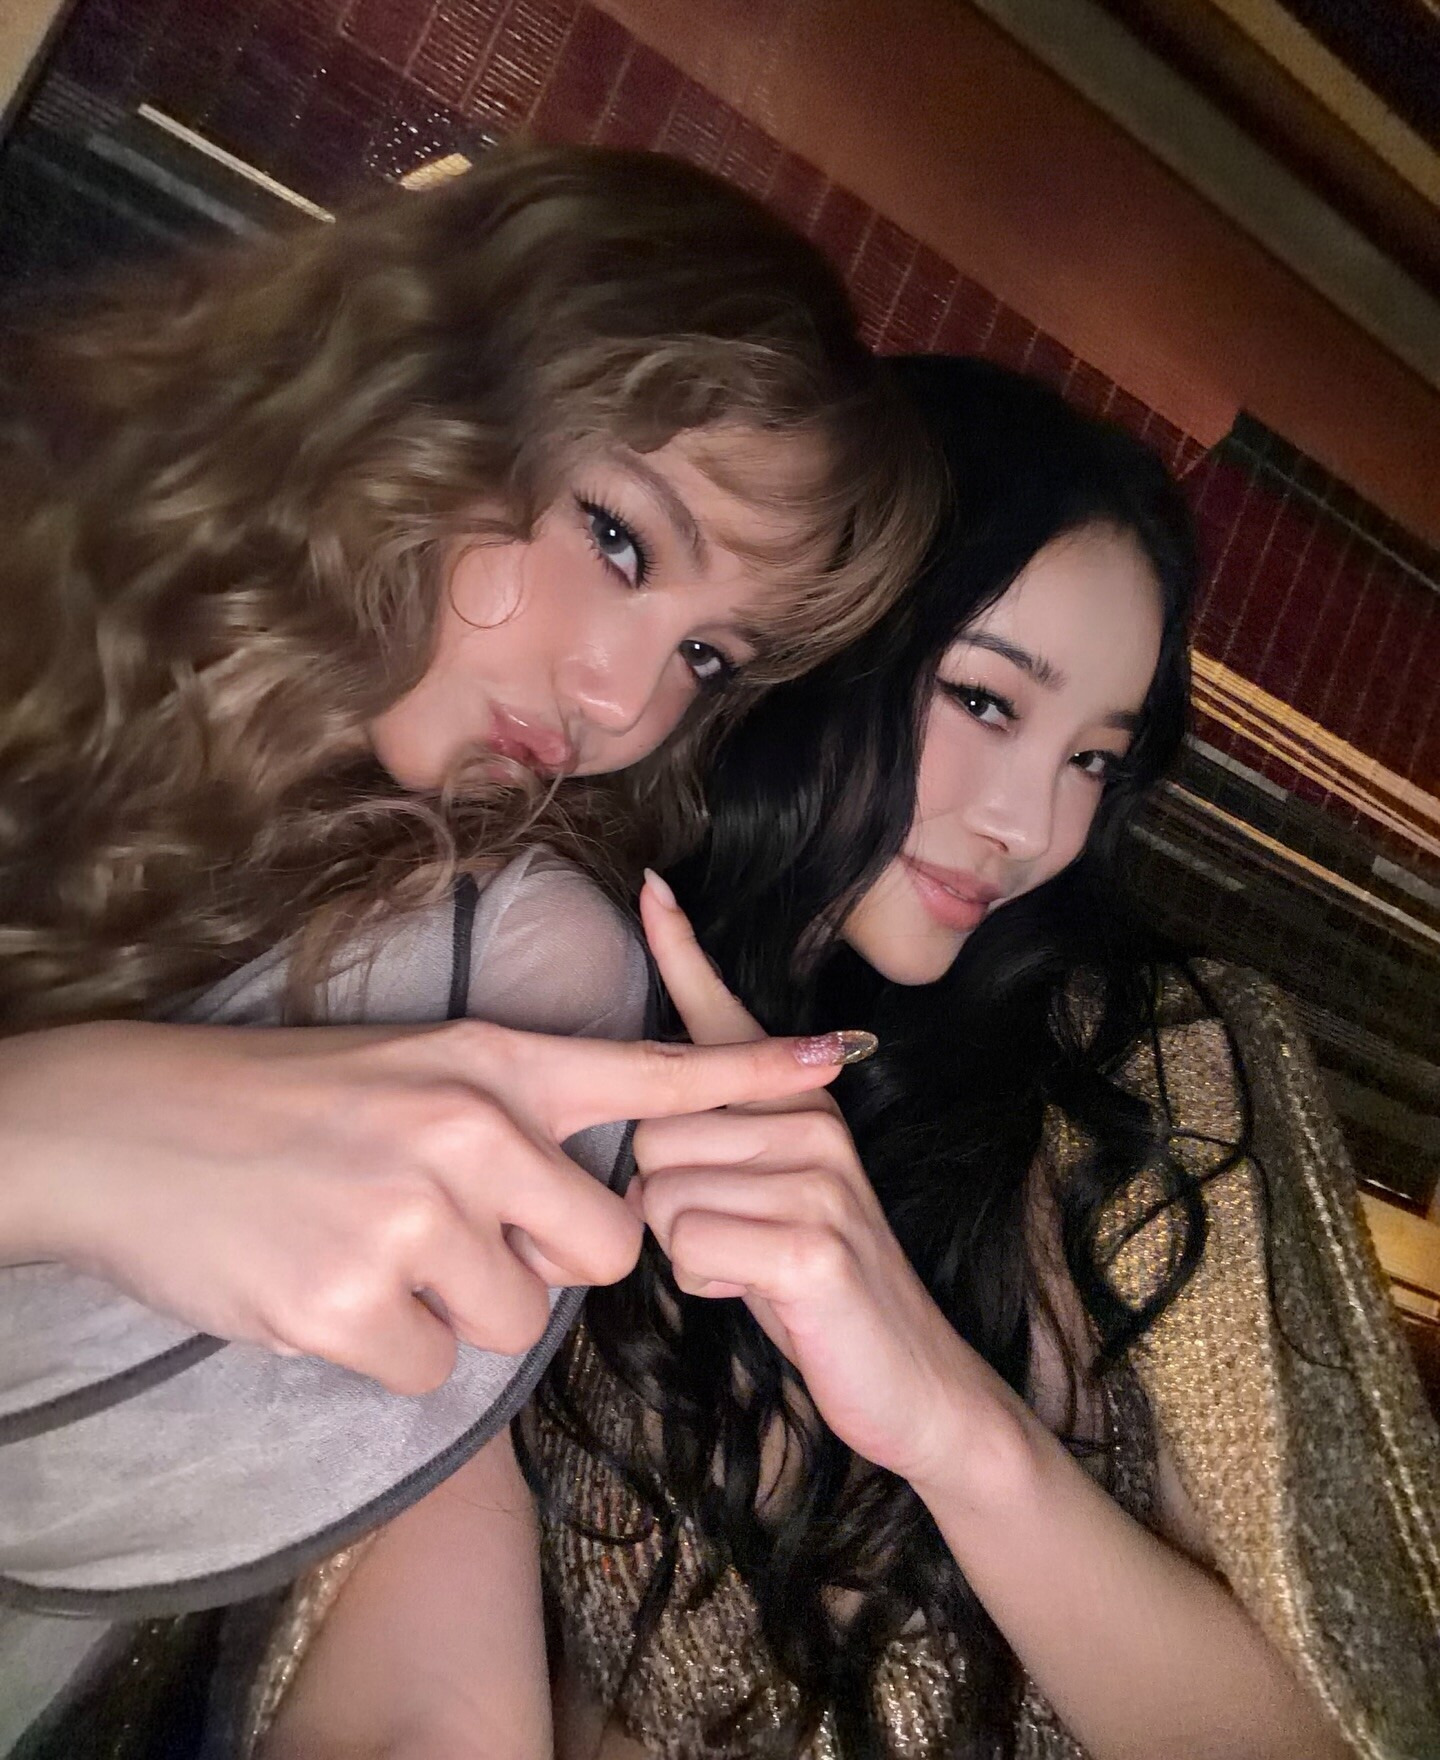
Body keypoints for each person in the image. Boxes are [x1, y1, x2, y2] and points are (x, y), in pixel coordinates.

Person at [256, 357, 1438, 1759]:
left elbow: (1345, 1725)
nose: (1031, 828)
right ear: (825, 644)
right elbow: (451, 1680)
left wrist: (946, 1416)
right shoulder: (561, 1020)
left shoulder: (1154, 1064)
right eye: (987, 703)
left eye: (1094, 761)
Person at [0, 145, 942, 1743]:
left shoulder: (503, 957)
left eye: (709, 658)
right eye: (621, 540)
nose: (622, 702)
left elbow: (404, 1578)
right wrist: (57, 1129)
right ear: (437, 385)